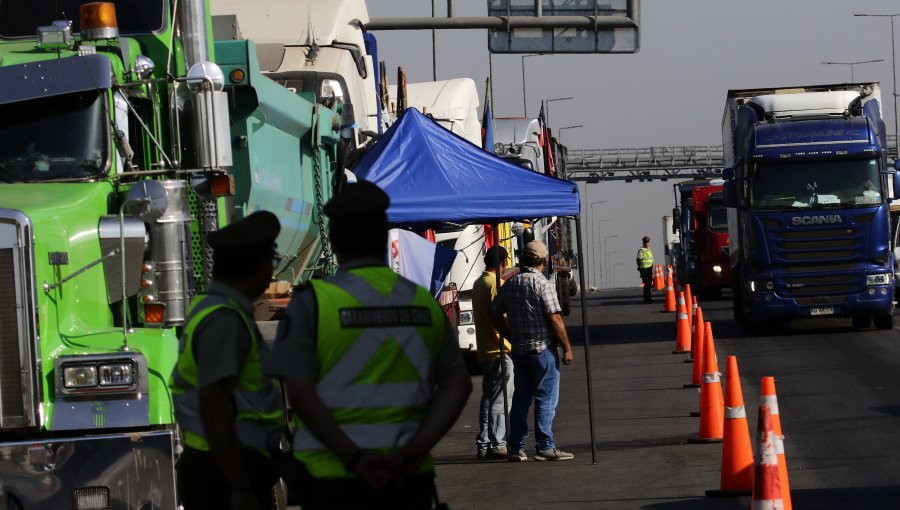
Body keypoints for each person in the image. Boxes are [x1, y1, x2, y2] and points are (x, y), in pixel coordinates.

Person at [265, 181, 472, 509]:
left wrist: (355, 459)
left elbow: (300, 394)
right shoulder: (423, 304)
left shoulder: (311, 305)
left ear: (333, 242)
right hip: (407, 479)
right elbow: (457, 386)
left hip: (332, 482)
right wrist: (414, 451)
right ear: (383, 237)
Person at [169, 211, 285, 510]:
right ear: (259, 267)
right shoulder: (225, 320)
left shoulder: (215, 309)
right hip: (223, 475)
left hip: (218, 467)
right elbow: (215, 403)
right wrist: (240, 487)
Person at [491, 240, 575, 462]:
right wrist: (567, 348)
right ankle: (544, 445)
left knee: (520, 399)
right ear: (543, 261)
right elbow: (555, 318)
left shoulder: (511, 283)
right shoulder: (542, 284)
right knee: (545, 399)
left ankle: (516, 447)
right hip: (542, 350)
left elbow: (494, 312)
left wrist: (509, 335)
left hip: (519, 351)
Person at [472, 245, 514, 460]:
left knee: (488, 399)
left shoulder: (478, 283)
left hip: (484, 350)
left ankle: (484, 442)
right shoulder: (497, 285)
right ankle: (498, 442)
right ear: (503, 263)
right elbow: (504, 317)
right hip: (500, 350)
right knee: (501, 400)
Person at [636, 235, 654, 303]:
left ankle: (648, 298)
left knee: (648, 285)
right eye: (646, 242)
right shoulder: (642, 250)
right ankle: (647, 299)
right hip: (644, 270)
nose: (647, 243)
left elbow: (650, 260)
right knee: (647, 285)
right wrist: (640, 268)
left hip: (649, 270)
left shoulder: (649, 250)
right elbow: (639, 260)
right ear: (643, 243)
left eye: (648, 242)